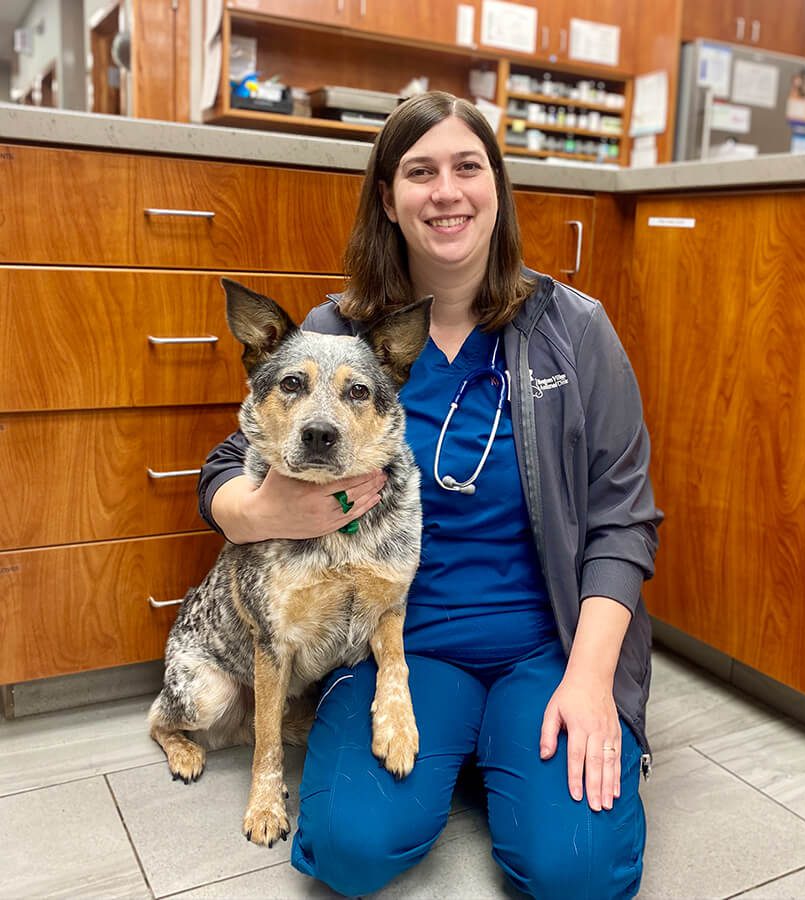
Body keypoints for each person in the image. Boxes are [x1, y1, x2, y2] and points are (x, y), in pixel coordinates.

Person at [198, 90, 662, 899]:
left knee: (581, 871)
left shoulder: (574, 330)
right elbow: (226, 467)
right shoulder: (335, 335)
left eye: (467, 167)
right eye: (420, 172)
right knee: (348, 849)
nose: (447, 191)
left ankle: (499, 747)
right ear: (388, 198)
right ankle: (475, 749)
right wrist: (258, 511)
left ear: (497, 187)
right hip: (394, 646)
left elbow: (624, 519)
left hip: (545, 645)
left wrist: (592, 679)